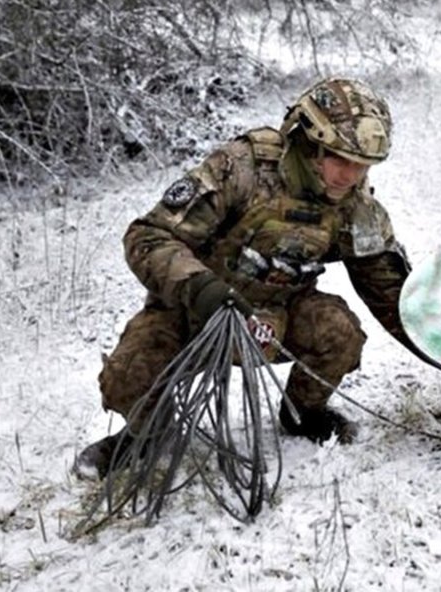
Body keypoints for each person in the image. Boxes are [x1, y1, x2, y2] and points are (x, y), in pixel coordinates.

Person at [73, 77, 421, 480]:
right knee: (130, 374)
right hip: (195, 311)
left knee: (339, 331)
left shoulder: (355, 207)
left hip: (277, 318)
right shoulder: (242, 169)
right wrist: (201, 288)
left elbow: (392, 295)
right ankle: (144, 435)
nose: (351, 175)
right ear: (309, 143)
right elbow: (148, 236)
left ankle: (303, 415)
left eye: (362, 165)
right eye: (340, 159)